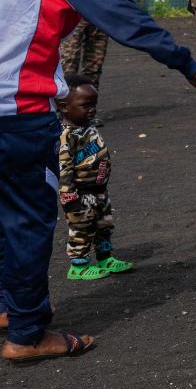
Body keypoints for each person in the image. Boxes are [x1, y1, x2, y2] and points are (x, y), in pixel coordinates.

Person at [0, 0, 196, 364]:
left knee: (9, 210)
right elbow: (122, 13)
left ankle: (12, 306)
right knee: (27, 216)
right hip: (13, 110)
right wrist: (187, 65)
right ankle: (25, 334)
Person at [56, 75, 132, 280]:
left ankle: (105, 257)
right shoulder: (66, 135)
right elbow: (64, 166)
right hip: (80, 193)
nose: (92, 109)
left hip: (98, 189)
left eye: (94, 104)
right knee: (83, 226)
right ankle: (78, 266)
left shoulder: (87, 126)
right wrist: (68, 193)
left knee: (104, 223)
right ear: (64, 106)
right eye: (86, 105)